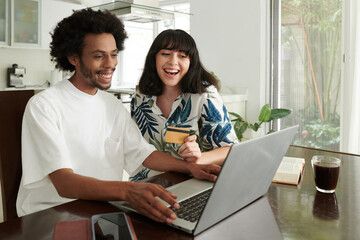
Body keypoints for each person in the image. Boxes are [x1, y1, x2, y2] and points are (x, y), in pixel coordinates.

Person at [16, 9, 220, 224]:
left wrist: (189, 167)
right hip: (51, 215)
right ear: (73, 58)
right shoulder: (44, 105)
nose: (110, 64)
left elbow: (142, 153)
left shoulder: (112, 106)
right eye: (98, 56)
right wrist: (128, 190)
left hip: (101, 210)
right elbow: (64, 183)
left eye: (113, 54)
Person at [130, 29, 238, 182]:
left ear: (191, 62)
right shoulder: (141, 97)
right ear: (153, 58)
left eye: (182, 56)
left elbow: (230, 150)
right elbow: (137, 149)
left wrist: (199, 158)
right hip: (147, 183)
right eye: (166, 54)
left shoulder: (204, 95)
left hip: (192, 182)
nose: (173, 62)